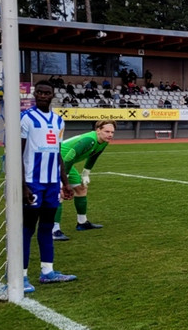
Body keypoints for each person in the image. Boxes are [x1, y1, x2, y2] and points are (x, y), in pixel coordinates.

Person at [19, 80, 76, 291]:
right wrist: (23, 185)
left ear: (52, 95)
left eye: (47, 93)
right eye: (40, 92)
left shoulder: (58, 121)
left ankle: (47, 272)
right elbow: (17, 152)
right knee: (27, 228)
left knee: (47, 226)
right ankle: (20, 276)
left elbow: (57, 153)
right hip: (33, 182)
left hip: (52, 183)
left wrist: (65, 182)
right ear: (35, 94)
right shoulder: (25, 118)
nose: (43, 95)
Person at [52, 120, 116, 240]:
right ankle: (54, 230)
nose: (110, 134)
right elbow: (70, 156)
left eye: (112, 132)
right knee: (58, 193)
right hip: (56, 161)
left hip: (66, 163)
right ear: (98, 130)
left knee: (81, 189)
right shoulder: (89, 140)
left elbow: (94, 156)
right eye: (107, 131)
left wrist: (86, 173)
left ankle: (82, 223)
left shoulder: (103, 142)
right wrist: (63, 179)